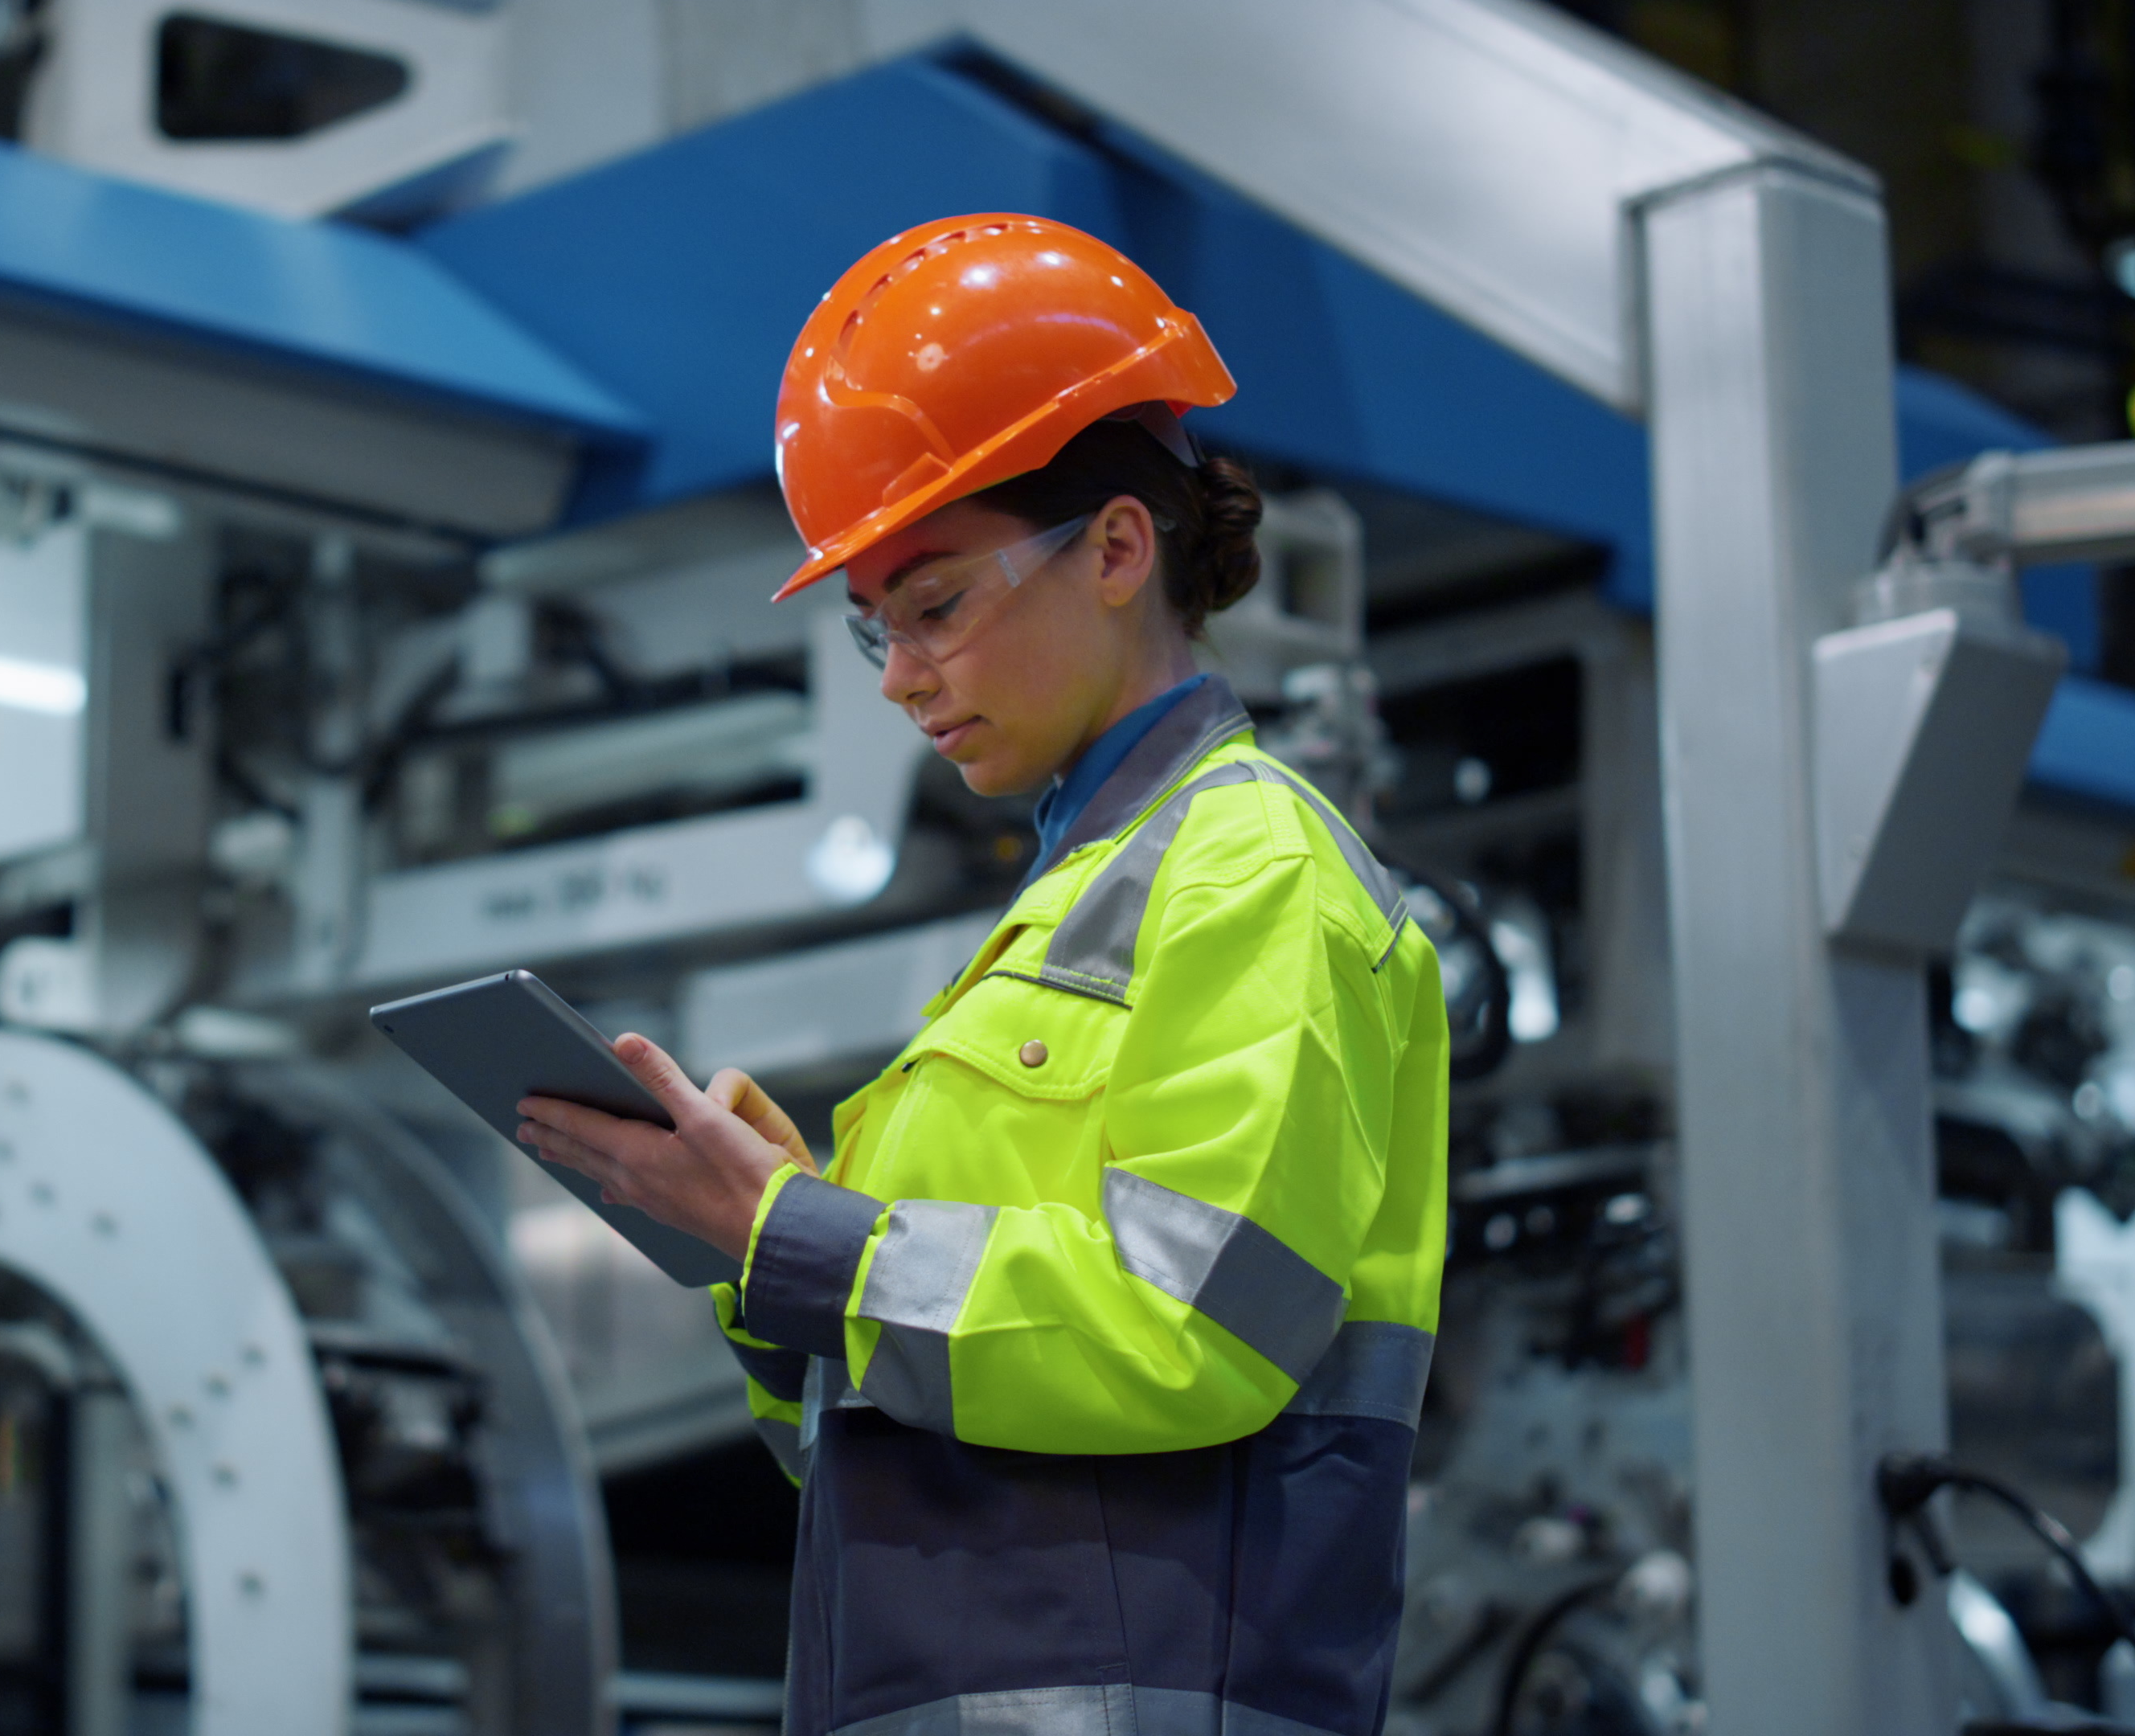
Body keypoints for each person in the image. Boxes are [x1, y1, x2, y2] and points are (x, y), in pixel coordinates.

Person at [514, 214, 1452, 1736]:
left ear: (1118, 550)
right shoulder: (1076, 909)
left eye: (936, 604)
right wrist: (764, 1268)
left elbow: (1190, 1330)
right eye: (874, 626)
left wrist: (796, 1238)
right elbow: (900, 1436)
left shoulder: (1249, 869)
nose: (898, 676)